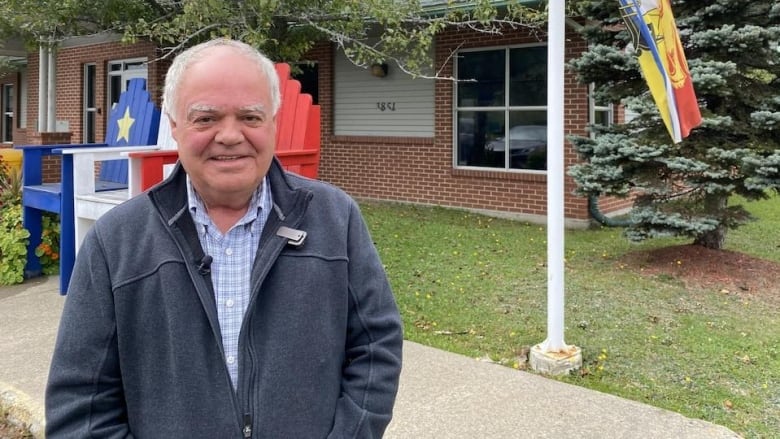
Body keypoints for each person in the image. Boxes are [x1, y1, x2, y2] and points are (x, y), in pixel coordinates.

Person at [45, 38, 403, 438]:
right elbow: (82, 405)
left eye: (250, 117)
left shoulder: (335, 219)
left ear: (273, 123)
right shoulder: (117, 242)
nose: (230, 135)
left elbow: (376, 347)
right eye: (205, 118)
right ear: (175, 126)